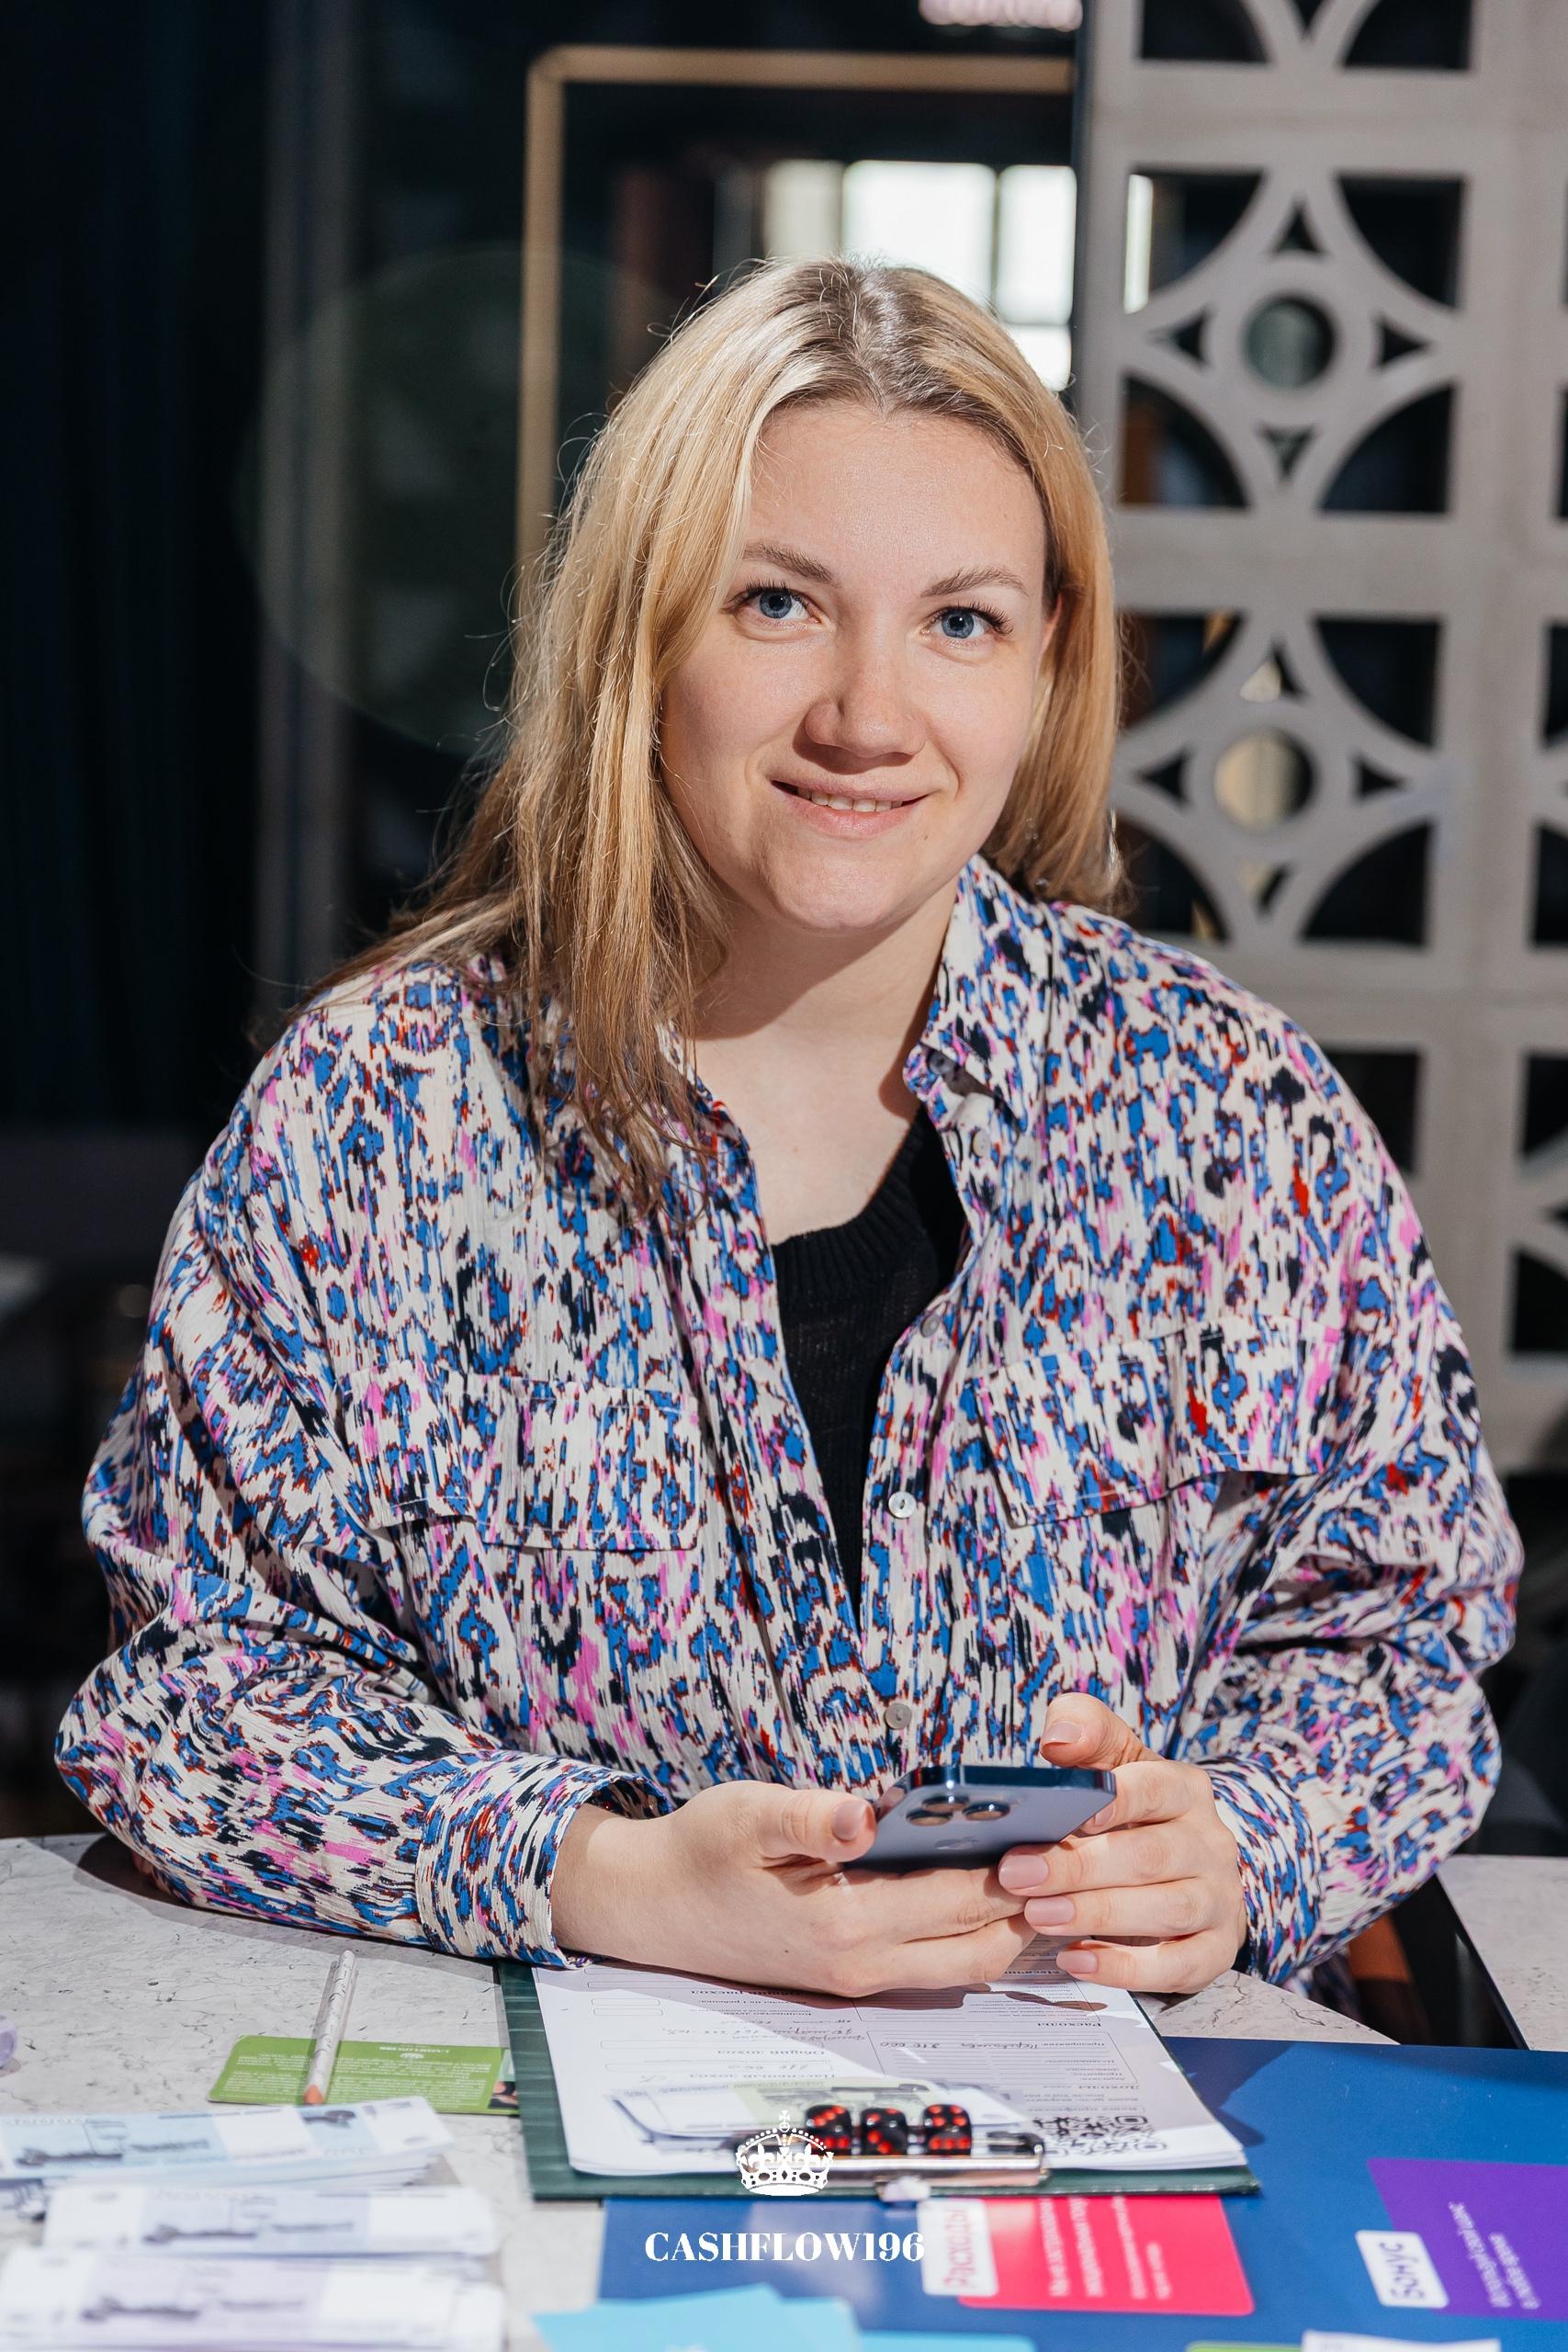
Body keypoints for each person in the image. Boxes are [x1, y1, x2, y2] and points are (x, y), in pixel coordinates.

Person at [58, 257, 1518, 2002]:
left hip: (1099, 2121)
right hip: (546, 2125)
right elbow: (193, 1701)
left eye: (961, 622)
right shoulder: (372, 1118)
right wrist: (603, 1875)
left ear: (1049, 662)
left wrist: (1243, 1842)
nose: (867, 717)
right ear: (643, 633)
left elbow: (1401, 1649)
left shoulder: (1234, 1115)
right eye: (777, 604)